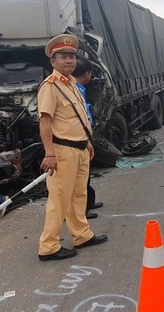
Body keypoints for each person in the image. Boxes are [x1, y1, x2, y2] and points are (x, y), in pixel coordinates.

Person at [37, 33, 107, 261]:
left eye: (72, 57)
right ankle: (49, 246)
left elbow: (77, 117)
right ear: (53, 61)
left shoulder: (73, 85)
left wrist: (87, 141)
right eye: (63, 57)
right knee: (59, 199)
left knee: (79, 194)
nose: (69, 61)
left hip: (80, 149)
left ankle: (81, 235)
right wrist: (49, 153)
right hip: (62, 151)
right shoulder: (51, 87)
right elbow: (45, 121)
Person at [72, 57, 104, 220]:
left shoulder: (79, 89)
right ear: (87, 74)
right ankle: (81, 210)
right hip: (76, 142)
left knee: (85, 174)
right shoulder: (74, 90)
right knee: (79, 178)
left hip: (84, 139)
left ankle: (88, 202)